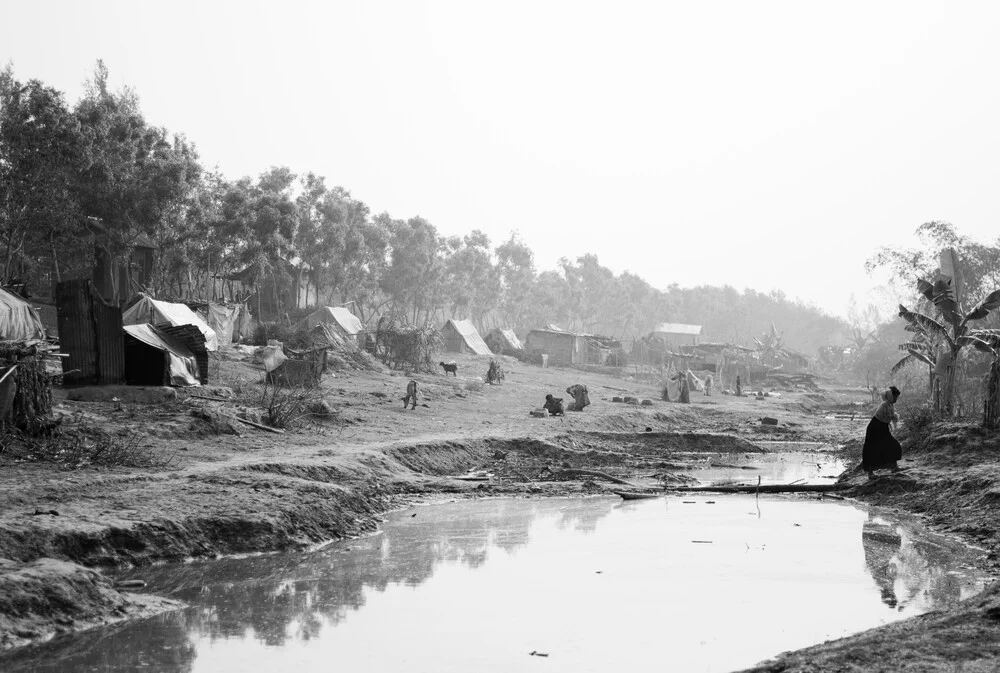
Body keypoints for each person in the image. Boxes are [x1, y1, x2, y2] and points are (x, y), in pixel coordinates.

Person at [861, 386, 902, 480]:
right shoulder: (884, 405)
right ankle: (870, 473)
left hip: (882, 427)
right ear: (891, 396)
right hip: (875, 428)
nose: (896, 399)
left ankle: (893, 467)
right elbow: (890, 416)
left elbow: (890, 417)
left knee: (893, 446)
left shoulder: (890, 405)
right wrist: (895, 417)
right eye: (895, 397)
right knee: (872, 450)